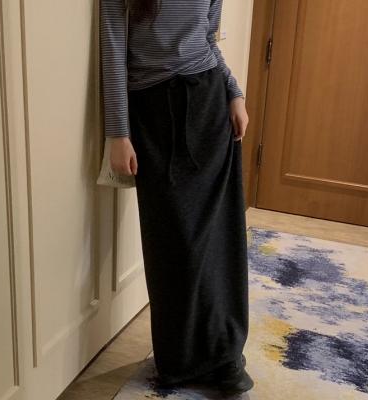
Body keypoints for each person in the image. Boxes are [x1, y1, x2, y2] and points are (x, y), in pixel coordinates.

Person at [100, 0, 254, 396]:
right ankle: (179, 359)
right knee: (172, 240)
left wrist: (234, 93)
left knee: (219, 237)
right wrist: (118, 133)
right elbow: (113, 47)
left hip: (209, 104)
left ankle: (227, 354)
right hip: (152, 112)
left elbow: (208, 38)